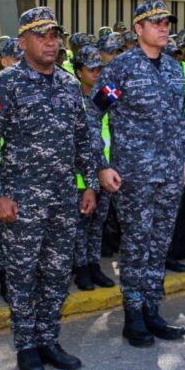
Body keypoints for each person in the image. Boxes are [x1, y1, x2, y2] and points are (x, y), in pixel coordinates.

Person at [0, 6, 98, 370]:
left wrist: (89, 183)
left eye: (55, 35)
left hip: (63, 198)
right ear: (23, 41)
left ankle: (48, 339)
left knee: (58, 272)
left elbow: (83, 137)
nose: (51, 41)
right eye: (41, 35)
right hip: (22, 200)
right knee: (23, 274)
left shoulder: (66, 83)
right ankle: (26, 345)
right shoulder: (4, 84)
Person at [87, 0, 185, 348]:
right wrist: (101, 165)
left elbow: (180, 120)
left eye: (167, 22)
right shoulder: (121, 69)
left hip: (170, 172)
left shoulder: (175, 69)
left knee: (160, 244)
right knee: (135, 244)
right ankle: (133, 315)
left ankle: (152, 308)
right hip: (133, 174)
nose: (164, 27)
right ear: (139, 29)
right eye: (156, 22)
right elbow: (92, 116)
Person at [72, 45, 116, 291]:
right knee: (81, 223)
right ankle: (82, 270)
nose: (96, 74)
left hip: (106, 169)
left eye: (99, 68)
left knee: (98, 222)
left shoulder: (107, 96)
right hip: (80, 173)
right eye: (91, 69)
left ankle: (94, 264)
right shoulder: (72, 98)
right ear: (79, 72)